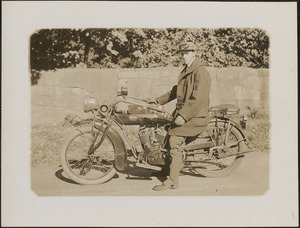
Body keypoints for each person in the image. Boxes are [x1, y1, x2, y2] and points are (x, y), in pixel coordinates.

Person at [149, 41, 211, 191]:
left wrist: (183, 116)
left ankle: (172, 181)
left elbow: (197, 99)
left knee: (175, 141)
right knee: (164, 132)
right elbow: (177, 91)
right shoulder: (187, 70)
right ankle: (166, 168)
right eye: (182, 53)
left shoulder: (200, 72)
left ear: (194, 53)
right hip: (187, 114)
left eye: (186, 53)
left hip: (196, 116)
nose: (183, 56)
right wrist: (158, 100)